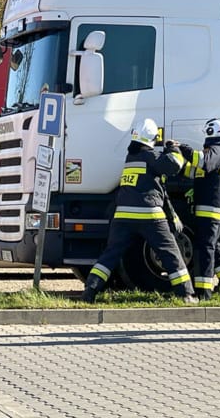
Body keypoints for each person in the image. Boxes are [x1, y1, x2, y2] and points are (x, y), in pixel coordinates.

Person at [82, 118, 198, 304]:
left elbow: (157, 185)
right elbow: (174, 165)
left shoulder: (131, 158)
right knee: (170, 252)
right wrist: (172, 148)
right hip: (149, 216)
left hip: (122, 217)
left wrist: (172, 212)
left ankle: (90, 290)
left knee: (110, 254)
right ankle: (186, 294)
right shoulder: (150, 157)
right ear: (152, 138)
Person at [179, 118, 220, 301]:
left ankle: (204, 292)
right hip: (209, 206)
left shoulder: (217, 151)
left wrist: (184, 149)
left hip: (211, 207)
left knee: (205, 247)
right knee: (213, 244)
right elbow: (192, 171)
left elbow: (203, 162)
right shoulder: (214, 151)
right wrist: (176, 157)